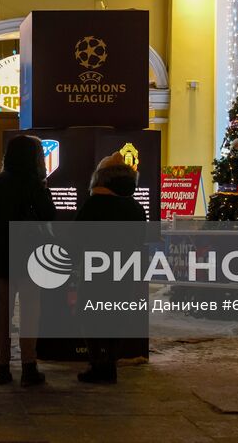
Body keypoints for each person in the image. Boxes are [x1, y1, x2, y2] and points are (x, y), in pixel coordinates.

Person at [0, 133, 56, 387]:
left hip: (3, 257)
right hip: (32, 258)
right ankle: (29, 366)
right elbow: (49, 217)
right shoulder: (36, 185)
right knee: (31, 312)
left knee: (3, 314)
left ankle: (2, 366)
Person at [74, 153, 146, 384]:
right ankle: (111, 364)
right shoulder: (135, 208)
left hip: (95, 270)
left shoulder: (94, 204)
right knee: (117, 316)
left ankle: (98, 364)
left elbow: (79, 238)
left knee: (90, 317)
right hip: (124, 269)